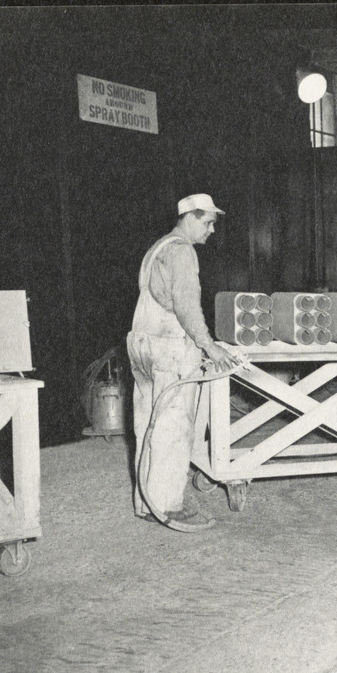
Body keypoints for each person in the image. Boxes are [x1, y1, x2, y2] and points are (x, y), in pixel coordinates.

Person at [126, 193, 239, 529]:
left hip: (142, 343)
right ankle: (168, 505)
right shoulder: (182, 251)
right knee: (174, 427)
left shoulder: (156, 249)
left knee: (146, 423)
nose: (212, 230)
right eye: (208, 222)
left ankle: (146, 502)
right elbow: (187, 306)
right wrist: (210, 346)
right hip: (170, 348)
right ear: (190, 217)